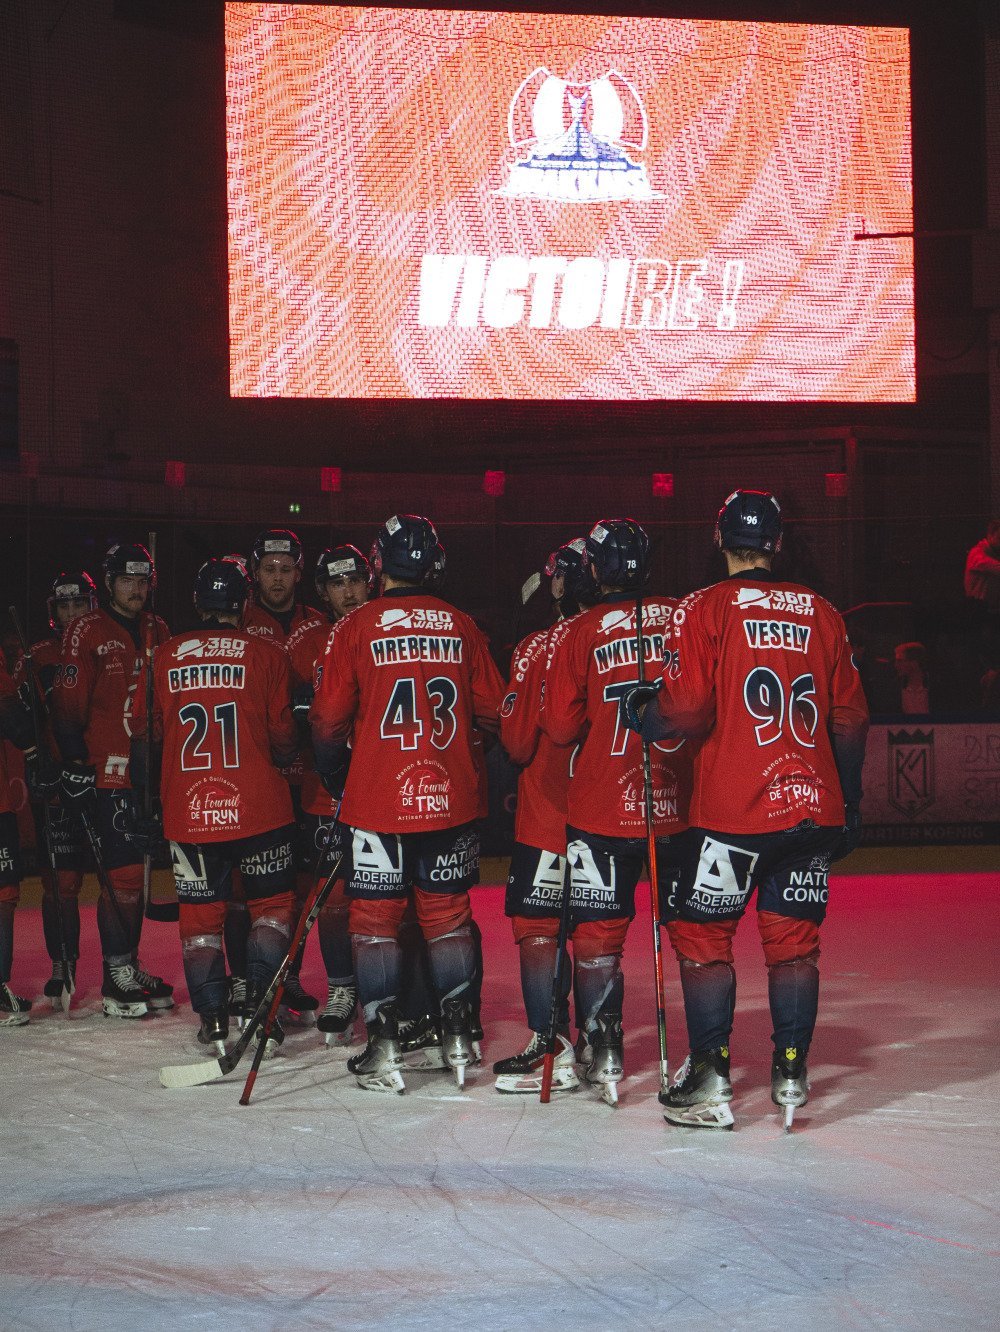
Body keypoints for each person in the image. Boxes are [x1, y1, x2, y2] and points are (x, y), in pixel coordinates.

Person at [629, 489, 869, 1130]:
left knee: (704, 936)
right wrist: (850, 800)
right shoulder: (822, 612)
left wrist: (647, 713)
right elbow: (849, 719)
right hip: (811, 807)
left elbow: (686, 708)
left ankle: (711, 1076)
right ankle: (790, 1071)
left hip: (734, 812)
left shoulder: (704, 606)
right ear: (777, 543)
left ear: (720, 539)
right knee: (793, 944)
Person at [310, 514, 504, 1093]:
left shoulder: (355, 626)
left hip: (377, 802)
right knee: (447, 919)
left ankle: (385, 1045)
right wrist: (459, 759)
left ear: (378, 564)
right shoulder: (461, 624)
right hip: (449, 799)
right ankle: (459, 1038)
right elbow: (496, 713)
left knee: (375, 923)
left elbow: (327, 723)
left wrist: (339, 776)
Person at [542, 518, 693, 1105]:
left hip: (603, 808)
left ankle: (603, 1049)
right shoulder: (681, 615)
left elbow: (559, 728)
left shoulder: (578, 631)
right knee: (694, 935)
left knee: (598, 936)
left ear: (595, 570)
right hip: (677, 808)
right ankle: (706, 1051)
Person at [131, 558, 300, 1055]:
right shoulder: (267, 653)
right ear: (244, 602)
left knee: (201, 922)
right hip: (261, 807)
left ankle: (214, 1021)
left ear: (197, 602)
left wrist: (144, 807)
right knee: (271, 910)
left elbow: (144, 738)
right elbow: (284, 738)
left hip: (190, 811)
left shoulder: (164, 656)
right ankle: (260, 1010)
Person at [51, 543, 174, 1019]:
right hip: (107, 771)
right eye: (127, 580)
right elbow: (68, 705)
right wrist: (75, 762)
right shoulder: (87, 628)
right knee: (121, 876)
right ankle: (115, 972)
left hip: (147, 772)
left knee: (137, 877)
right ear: (108, 583)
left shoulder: (158, 628)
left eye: (143, 581)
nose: (135, 589)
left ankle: (129, 963)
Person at [492, 538, 596, 1094]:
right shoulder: (627, 636)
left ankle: (550, 1041)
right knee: (600, 932)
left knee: (538, 929)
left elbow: (514, 743)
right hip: (614, 814)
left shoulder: (538, 646)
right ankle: (603, 1046)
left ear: (559, 583)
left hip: (548, 816)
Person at [286, 544, 373, 1043]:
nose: (348, 591)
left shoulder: (387, 626)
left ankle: (396, 994)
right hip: (328, 791)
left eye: (355, 580)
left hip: (386, 787)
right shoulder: (305, 641)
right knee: (334, 897)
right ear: (322, 591)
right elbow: (282, 708)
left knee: (393, 900)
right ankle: (342, 987)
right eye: (338, 583)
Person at [12, 572, 98, 1007]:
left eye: (79, 604)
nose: (71, 614)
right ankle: (62, 963)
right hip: (57, 781)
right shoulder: (37, 655)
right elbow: (17, 718)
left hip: (104, 777)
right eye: (64, 606)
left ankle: (124, 964)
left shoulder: (107, 644)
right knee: (61, 882)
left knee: (121, 880)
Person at [244, 528, 323, 641]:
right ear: (256, 574)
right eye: (269, 570)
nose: (278, 578)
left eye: (285, 570)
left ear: (297, 574)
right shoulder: (242, 620)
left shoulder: (317, 622)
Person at [963, 519, 1000, 610]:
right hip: (978, 607)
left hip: (988, 607)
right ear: (990, 535)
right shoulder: (977, 553)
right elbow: (992, 566)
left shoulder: (993, 552)